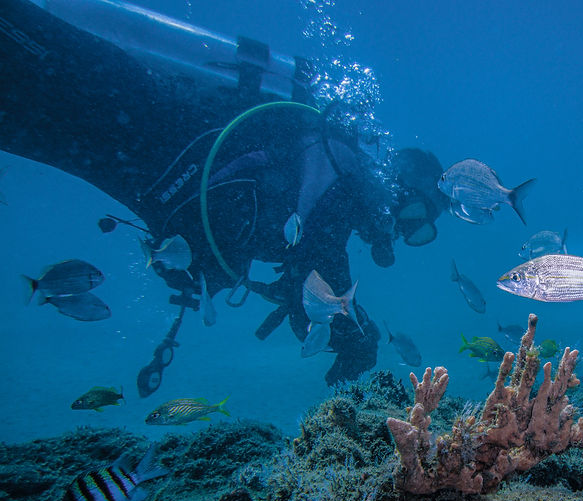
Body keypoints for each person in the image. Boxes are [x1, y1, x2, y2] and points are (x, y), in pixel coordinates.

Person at [0, 0, 447, 394]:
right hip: (162, 139)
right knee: (36, 70)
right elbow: (314, 285)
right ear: (401, 183)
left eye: (419, 234)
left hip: (156, 166)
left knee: (28, 111)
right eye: (414, 216)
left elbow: (306, 287)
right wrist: (354, 337)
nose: (404, 232)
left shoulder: (336, 196)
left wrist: (347, 332)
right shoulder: (342, 176)